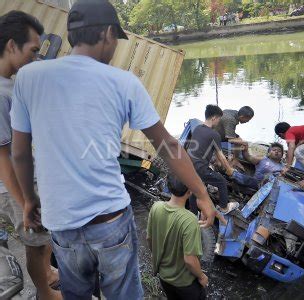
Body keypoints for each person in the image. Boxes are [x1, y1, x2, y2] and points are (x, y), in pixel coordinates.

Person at [10, 1, 217, 299]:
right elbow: (169, 145)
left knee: (76, 293)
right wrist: (202, 193)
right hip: (109, 222)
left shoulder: (29, 77)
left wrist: (29, 200)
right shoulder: (123, 82)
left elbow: (18, 153)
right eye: (116, 40)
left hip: (60, 222)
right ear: (108, 34)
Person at [0, 11, 61, 300]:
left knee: (43, 240)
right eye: (33, 50)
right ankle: (45, 293)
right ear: (11, 46)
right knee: (36, 242)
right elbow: (2, 157)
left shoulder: (11, 80)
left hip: (29, 176)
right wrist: (25, 201)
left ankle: (47, 278)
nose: (37, 57)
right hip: (13, 183)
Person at [147, 176, 207, 300]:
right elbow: (190, 260)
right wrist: (201, 276)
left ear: (169, 187)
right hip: (185, 284)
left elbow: (149, 239)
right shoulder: (190, 220)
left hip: (164, 277)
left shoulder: (156, 207)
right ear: (190, 191)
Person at [187, 105, 239, 215]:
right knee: (221, 181)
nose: (219, 122)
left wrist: (213, 163)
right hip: (200, 167)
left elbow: (201, 148)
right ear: (214, 118)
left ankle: (194, 214)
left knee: (195, 188)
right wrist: (229, 169)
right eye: (219, 119)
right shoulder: (214, 134)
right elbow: (220, 155)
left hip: (189, 164)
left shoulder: (197, 129)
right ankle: (224, 208)